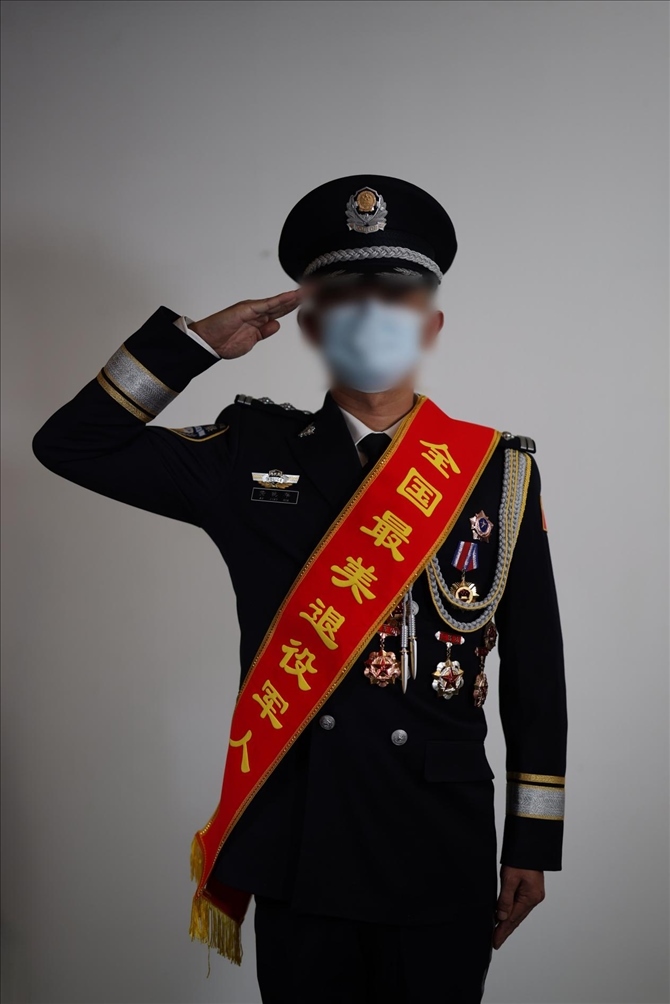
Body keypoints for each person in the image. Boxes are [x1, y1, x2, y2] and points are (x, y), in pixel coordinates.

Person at [32, 175, 567, 1004]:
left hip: (439, 840)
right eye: (345, 295)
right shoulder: (247, 454)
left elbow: (537, 670)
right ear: (311, 324)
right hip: (306, 837)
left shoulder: (495, 473)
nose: (372, 313)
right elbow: (72, 444)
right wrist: (194, 345)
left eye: (397, 294)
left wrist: (530, 839)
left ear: (431, 322)